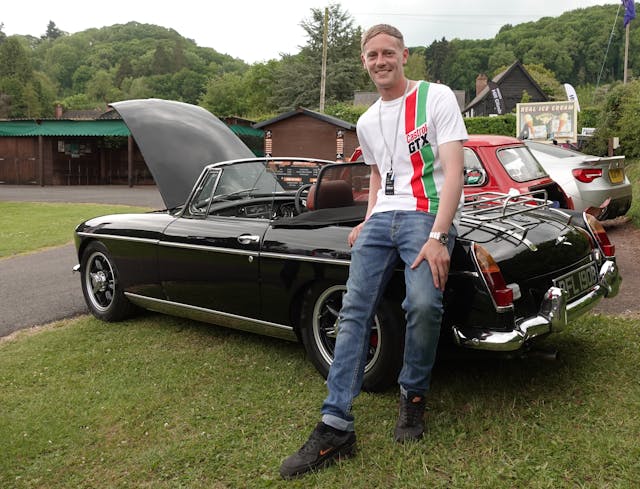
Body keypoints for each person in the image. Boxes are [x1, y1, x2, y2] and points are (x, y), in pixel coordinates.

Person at [279, 24, 468, 479]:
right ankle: (336, 425)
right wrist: (366, 220)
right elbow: (381, 177)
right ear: (364, 62)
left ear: (404, 56)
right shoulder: (366, 121)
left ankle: (413, 395)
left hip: (427, 215)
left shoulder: (436, 97)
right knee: (353, 310)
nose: (380, 61)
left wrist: (440, 237)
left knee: (423, 303)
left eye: (388, 53)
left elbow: (455, 173)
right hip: (383, 218)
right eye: (371, 55)